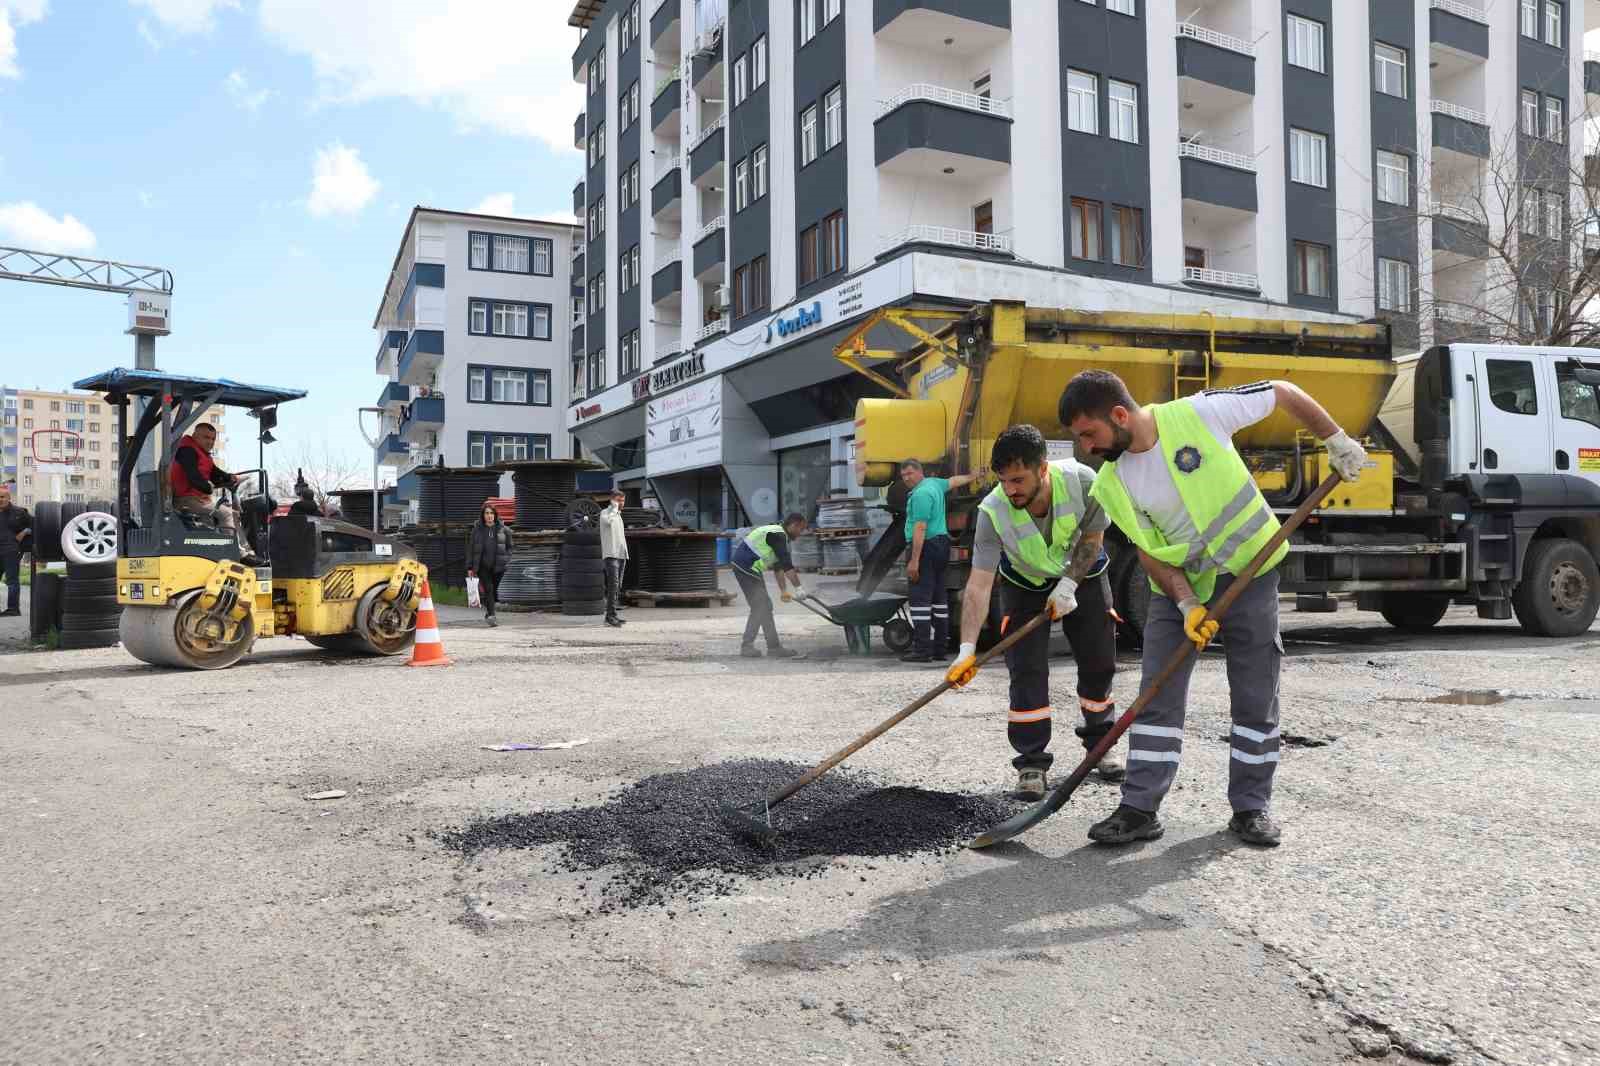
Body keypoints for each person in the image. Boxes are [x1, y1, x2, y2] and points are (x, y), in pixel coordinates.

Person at [1059, 371, 1367, 847]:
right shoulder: (1113, 483)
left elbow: (1282, 391)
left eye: (1088, 434)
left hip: (1250, 572)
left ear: (1119, 415)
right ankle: (1140, 807)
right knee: (1156, 695)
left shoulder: (1198, 414)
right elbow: (1151, 553)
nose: (1086, 448)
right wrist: (1186, 604)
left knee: (1254, 692)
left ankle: (1251, 808)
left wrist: (1336, 439)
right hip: (1178, 594)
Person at [943, 426, 1123, 799]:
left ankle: (1100, 745)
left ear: (1043, 468)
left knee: (1098, 661)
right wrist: (966, 650)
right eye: (1004, 481)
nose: (1010, 490)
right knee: (1025, 670)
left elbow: (1092, 540)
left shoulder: (1083, 481)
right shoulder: (993, 512)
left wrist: (1069, 585)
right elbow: (978, 584)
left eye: (1018, 479)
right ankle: (1030, 763)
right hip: (1024, 585)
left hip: (1084, 577)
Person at [898, 459, 981, 663]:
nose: (907, 478)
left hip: (925, 547)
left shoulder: (920, 494)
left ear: (920, 472)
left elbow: (920, 528)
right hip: (942, 545)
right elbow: (953, 481)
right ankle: (940, 649)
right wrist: (972, 476)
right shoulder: (934, 484)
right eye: (903, 476)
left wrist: (914, 561)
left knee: (919, 601)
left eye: (910, 473)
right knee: (938, 598)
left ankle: (922, 650)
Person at [168, 422, 253, 560]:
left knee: (234, 514)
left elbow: (216, 474)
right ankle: (236, 554)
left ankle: (246, 551)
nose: (210, 442)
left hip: (198, 500)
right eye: (206, 437)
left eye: (213, 439)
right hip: (185, 500)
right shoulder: (187, 451)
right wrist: (208, 487)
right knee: (226, 514)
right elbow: (193, 477)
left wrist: (231, 478)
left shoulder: (202, 454)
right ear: (195, 436)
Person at [730, 512, 808, 659]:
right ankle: (751, 647)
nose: (800, 534)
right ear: (793, 525)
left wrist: (783, 590)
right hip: (746, 565)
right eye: (801, 529)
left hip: (747, 566)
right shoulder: (778, 534)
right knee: (761, 606)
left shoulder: (778, 534)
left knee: (764, 606)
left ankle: (772, 647)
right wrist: (799, 588)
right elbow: (787, 565)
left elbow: (778, 568)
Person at [466, 500, 512, 627]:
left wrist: (506, 559)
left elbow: (510, 547)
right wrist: (470, 566)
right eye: (487, 513)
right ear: (483, 515)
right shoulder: (477, 530)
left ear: (495, 515)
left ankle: (488, 611)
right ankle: (492, 615)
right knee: (489, 589)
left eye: (491, 513)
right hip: (482, 566)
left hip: (499, 566)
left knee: (493, 590)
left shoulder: (504, 529)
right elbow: (470, 549)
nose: (489, 515)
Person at [0, 485, 31, 617]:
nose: (0, 499)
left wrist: (24, 532)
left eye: (2, 497)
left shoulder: (19, 512)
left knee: (11, 580)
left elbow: (34, 525)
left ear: (9, 497)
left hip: (12, 551)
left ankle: (13, 609)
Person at [599, 489, 629, 627]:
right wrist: (614, 508)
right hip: (611, 555)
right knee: (613, 586)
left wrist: (625, 553)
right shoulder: (606, 513)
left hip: (621, 555)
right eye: (618, 500)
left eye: (622, 500)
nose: (621, 503)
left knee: (618, 587)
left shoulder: (618, 515)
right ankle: (610, 616)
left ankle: (612, 615)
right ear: (612, 500)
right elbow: (608, 522)